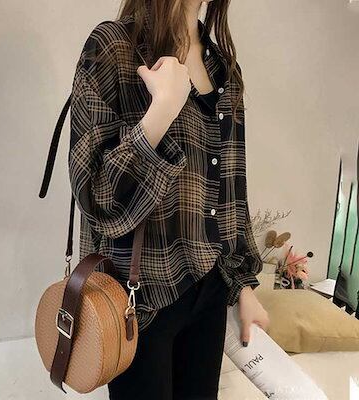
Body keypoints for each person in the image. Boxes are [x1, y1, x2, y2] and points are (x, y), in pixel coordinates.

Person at [68, 0, 270, 398]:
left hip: (209, 290)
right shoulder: (114, 48)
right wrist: (161, 110)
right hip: (138, 302)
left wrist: (242, 284)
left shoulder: (224, 69)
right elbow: (95, 198)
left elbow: (231, 189)